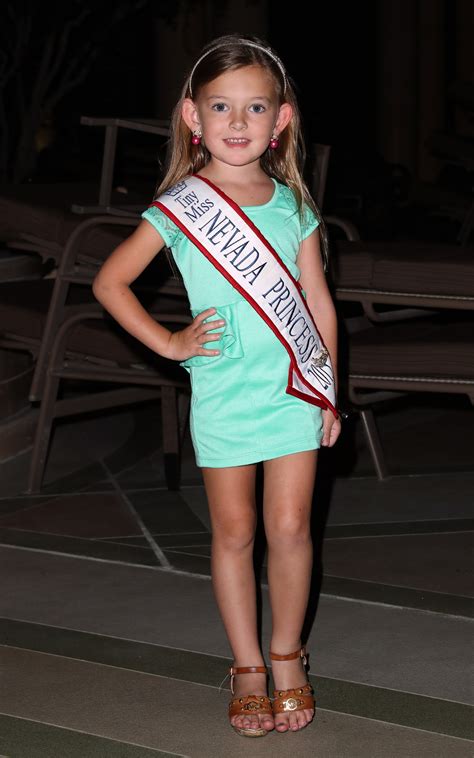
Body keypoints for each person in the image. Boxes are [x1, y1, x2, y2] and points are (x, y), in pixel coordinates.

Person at [93, 33, 341, 738]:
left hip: (293, 387)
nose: (238, 122)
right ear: (192, 119)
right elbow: (110, 282)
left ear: (280, 121)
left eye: (254, 107)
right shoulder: (182, 206)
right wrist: (171, 342)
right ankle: (247, 668)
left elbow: (318, 300)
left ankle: (288, 654)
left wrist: (327, 386)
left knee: (291, 529)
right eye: (222, 107)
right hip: (225, 395)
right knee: (235, 534)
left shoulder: (293, 203)